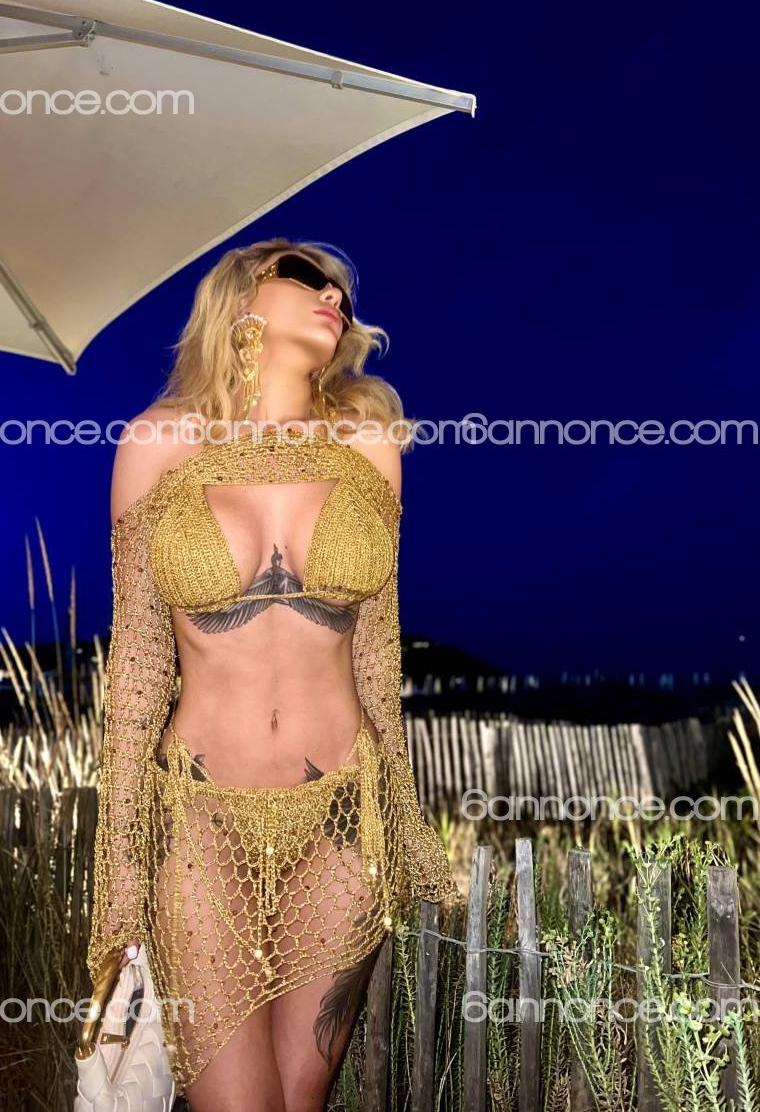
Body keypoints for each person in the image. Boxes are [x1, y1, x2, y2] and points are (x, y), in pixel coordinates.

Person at [86, 238, 458, 1111]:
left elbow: (378, 652)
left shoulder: (368, 444)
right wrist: (120, 880)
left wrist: (404, 825)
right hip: (198, 820)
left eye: (343, 290)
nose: (335, 295)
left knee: (301, 1098)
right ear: (243, 294)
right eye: (308, 276)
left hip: (342, 818)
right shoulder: (160, 442)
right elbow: (137, 665)